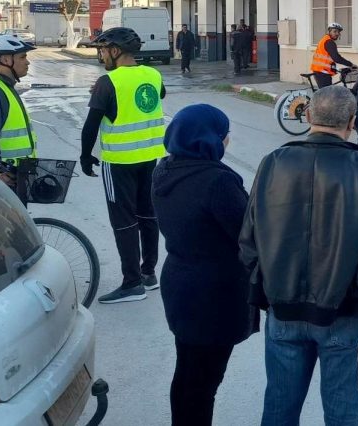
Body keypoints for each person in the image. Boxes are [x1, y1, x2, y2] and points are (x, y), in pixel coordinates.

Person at [239, 85, 358, 426]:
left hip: (283, 309)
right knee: (343, 413)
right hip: (345, 312)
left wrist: (268, 288)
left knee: (279, 409)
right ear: (353, 122)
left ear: (309, 115)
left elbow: (249, 241)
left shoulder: (274, 161)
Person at [151, 104, 257, 425]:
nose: (227, 140)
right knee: (203, 384)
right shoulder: (217, 181)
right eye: (224, 135)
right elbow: (249, 235)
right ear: (210, 139)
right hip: (214, 297)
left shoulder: (165, 170)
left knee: (187, 375)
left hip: (180, 285)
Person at [80, 27, 167, 304]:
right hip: (150, 158)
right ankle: (148, 274)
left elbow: (91, 125)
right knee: (148, 215)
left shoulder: (108, 82)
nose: (102, 55)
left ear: (115, 51)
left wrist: (85, 156)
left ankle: (131, 284)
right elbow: (157, 96)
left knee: (124, 222)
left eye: (104, 50)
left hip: (119, 162)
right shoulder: (153, 75)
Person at [0, 34, 37, 184]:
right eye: (22, 57)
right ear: (5, 60)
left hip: (12, 176)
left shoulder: (2, 85)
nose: (27, 62)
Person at [310, 23, 356, 89]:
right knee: (328, 93)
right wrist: (350, 64)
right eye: (334, 31)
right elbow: (337, 58)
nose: (337, 33)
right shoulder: (329, 42)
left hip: (320, 70)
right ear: (329, 31)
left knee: (326, 92)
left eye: (338, 32)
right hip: (322, 72)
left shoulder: (324, 39)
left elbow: (328, 57)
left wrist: (334, 68)